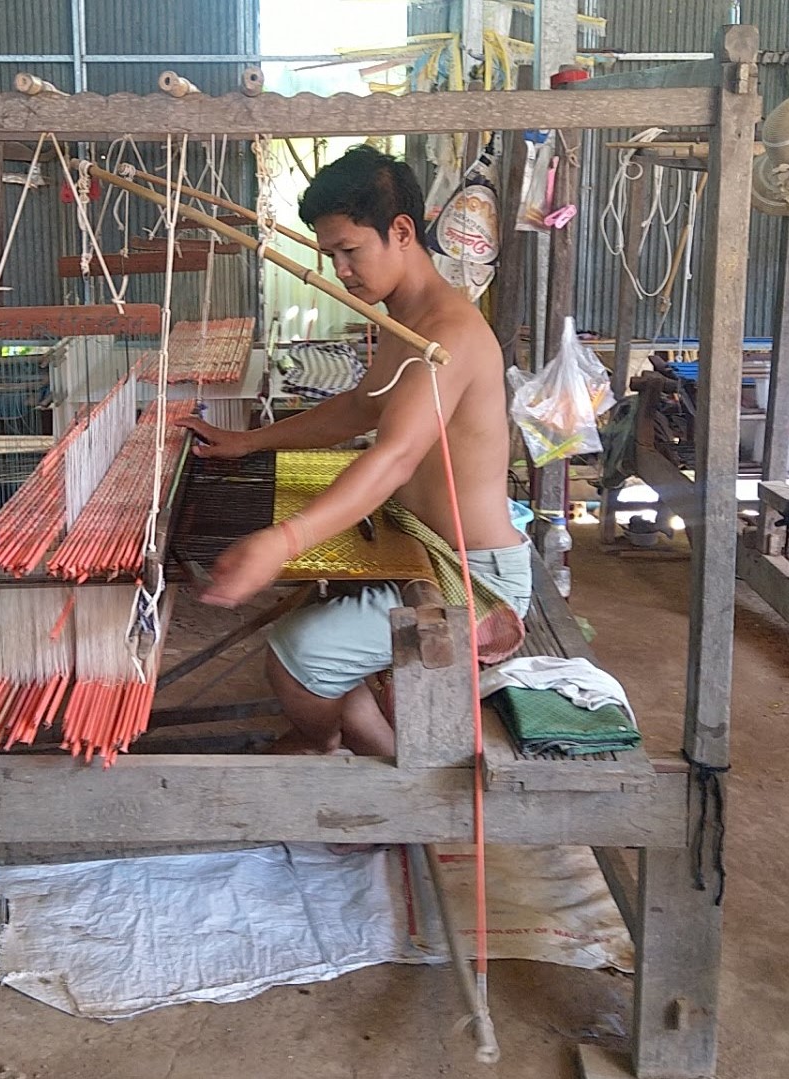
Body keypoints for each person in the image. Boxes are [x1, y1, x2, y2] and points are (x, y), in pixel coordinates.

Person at [178, 145, 530, 757]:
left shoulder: (447, 335)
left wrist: (280, 542)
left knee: (296, 660)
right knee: (330, 652)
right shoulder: (405, 320)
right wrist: (249, 442)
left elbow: (393, 457)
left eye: (350, 251)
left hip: (471, 579)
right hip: (419, 547)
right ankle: (366, 741)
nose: (341, 271)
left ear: (400, 232)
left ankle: (352, 757)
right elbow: (359, 409)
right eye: (331, 255)